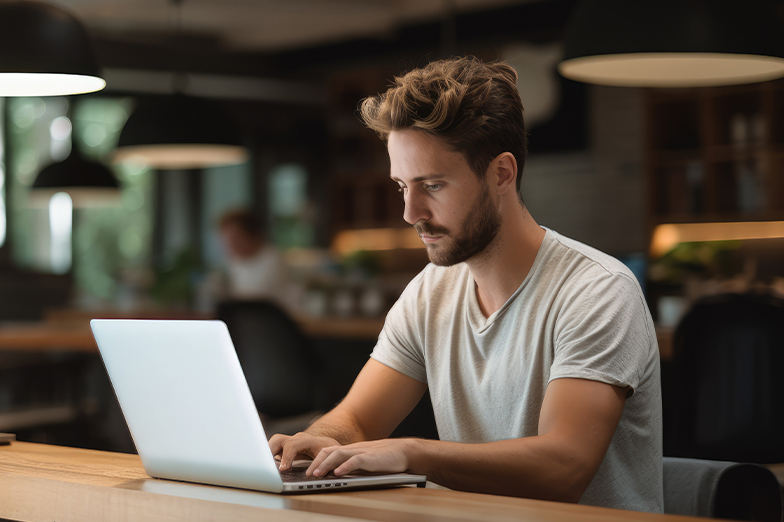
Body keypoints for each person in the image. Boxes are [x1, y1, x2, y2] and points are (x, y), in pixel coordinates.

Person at [269, 57, 662, 512]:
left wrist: (415, 454)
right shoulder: (429, 292)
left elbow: (564, 467)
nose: (410, 212)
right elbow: (357, 419)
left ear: (501, 174)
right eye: (402, 186)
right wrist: (315, 443)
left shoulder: (597, 290)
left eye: (432, 185)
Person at [216, 209, 291, 306]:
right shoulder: (232, 263)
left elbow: (259, 298)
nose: (230, 244)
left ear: (253, 235)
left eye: (236, 238)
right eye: (226, 239)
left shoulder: (273, 260)